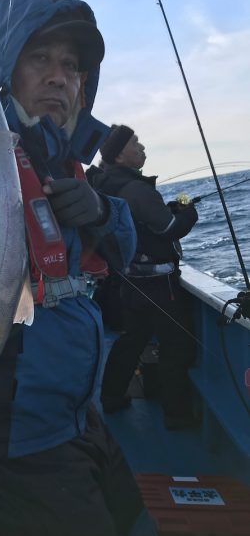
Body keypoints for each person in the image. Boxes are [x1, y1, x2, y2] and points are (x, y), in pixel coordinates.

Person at [0, 0, 158, 536]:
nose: (60, 77)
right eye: (41, 58)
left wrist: (99, 210)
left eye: (72, 66)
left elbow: (125, 248)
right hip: (19, 441)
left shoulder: (63, 163)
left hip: (78, 418)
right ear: (3, 68)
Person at [86, 125, 199, 429]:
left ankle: (110, 397)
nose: (143, 147)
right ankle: (178, 416)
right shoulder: (136, 189)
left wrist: (173, 208)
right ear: (121, 154)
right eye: (136, 143)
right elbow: (168, 228)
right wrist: (187, 210)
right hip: (161, 288)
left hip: (130, 284)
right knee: (176, 347)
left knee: (131, 340)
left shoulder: (104, 185)